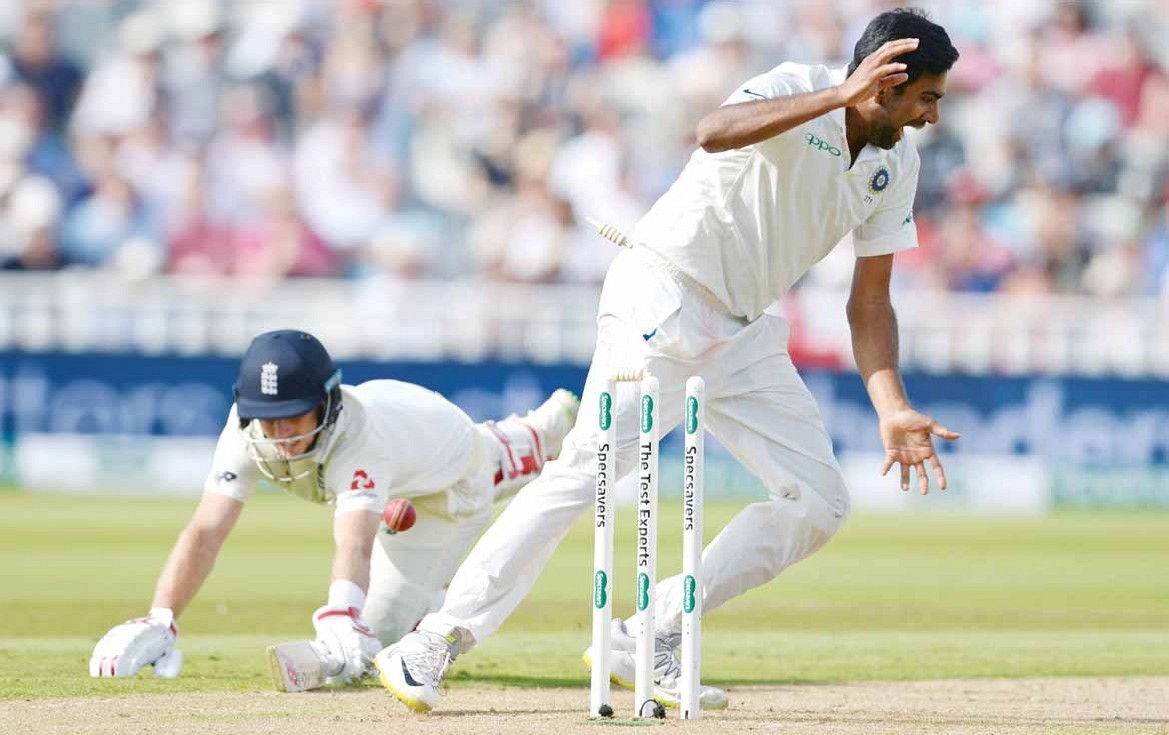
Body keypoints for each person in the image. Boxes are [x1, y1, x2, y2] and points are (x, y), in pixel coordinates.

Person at [375, 8, 961, 714]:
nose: (931, 115)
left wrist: (891, 406)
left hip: (741, 330)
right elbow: (713, 131)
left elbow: (869, 302)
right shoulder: (794, 86)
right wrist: (839, 95)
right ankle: (435, 637)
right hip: (664, 290)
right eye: (925, 96)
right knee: (590, 469)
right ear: (884, 82)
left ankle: (648, 634)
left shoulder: (897, 163)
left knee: (819, 501)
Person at [89, 329, 579, 685]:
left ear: (326, 403)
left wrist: (343, 612)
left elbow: (354, 542)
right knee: (438, 476)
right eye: (268, 420)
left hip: (449, 480)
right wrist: (161, 617)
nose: (280, 435)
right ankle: (526, 439)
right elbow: (206, 531)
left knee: (374, 646)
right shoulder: (246, 428)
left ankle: (525, 446)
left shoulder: (359, 439)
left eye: (292, 417)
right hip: (410, 434)